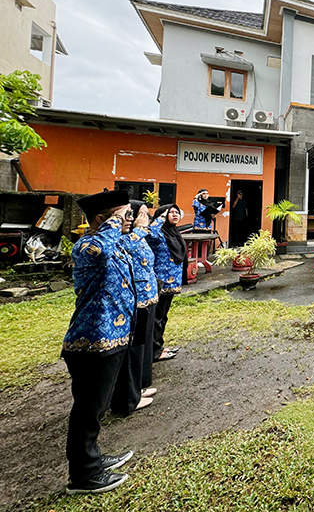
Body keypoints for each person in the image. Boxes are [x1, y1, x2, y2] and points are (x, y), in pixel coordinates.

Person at [62, 189, 136, 494]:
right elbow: (101, 251)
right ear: (102, 219)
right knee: (87, 410)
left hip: (112, 338)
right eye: (125, 214)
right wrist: (112, 222)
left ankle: (93, 458)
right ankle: (83, 476)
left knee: (98, 406)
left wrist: (119, 222)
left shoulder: (113, 243)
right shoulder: (87, 246)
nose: (130, 218)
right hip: (92, 341)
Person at [110, 201, 161, 416]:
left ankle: (138, 387)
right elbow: (124, 248)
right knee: (132, 350)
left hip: (146, 298)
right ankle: (128, 397)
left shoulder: (138, 236)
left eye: (144, 215)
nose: (140, 219)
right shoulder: (119, 238)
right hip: (134, 301)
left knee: (142, 347)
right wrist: (139, 229)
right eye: (137, 214)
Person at [147, 204, 187, 363]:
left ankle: (159, 346)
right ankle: (154, 351)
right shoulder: (158, 233)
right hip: (160, 282)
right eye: (171, 213)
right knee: (157, 317)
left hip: (172, 283)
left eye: (177, 212)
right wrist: (160, 219)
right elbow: (150, 235)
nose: (175, 215)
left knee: (162, 317)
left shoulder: (173, 232)